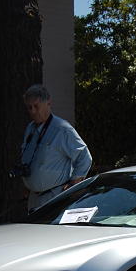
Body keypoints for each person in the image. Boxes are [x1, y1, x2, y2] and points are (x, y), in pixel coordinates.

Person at [20, 84, 92, 213]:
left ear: (48, 103)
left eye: (36, 106)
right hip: (33, 199)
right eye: (29, 107)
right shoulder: (30, 129)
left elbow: (84, 157)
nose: (33, 111)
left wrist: (74, 185)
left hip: (54, 198)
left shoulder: (62, 129)